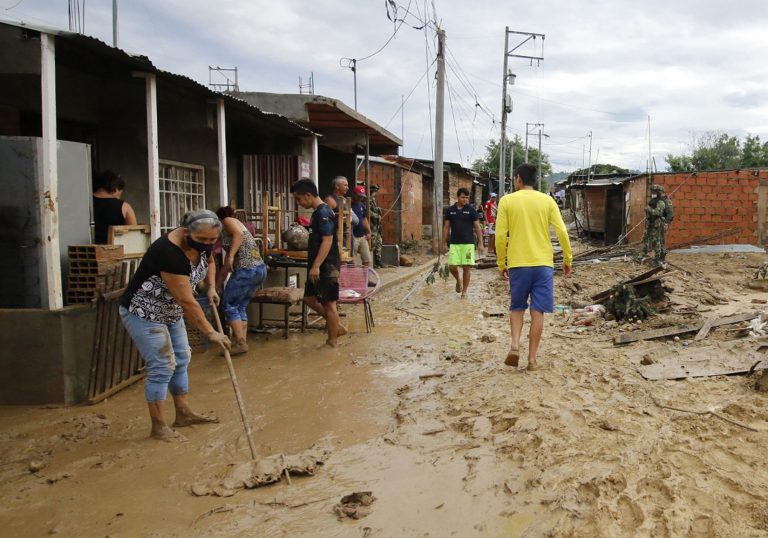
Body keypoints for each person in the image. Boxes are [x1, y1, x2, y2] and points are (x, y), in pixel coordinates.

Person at [119, 209, 231, 441]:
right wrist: (211, 332)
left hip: (170, 310)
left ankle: (183, 413)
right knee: (162, 365)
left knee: (181, 357)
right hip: (144, 312)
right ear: (186, 231)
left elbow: (209, 261)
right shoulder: (168, 253)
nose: (207, 244)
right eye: (202, 240)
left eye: (212, 240)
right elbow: (187, 300)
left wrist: (210, 286)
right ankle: (158, 427)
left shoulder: (203, 244)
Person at [495, 164, 573, 371]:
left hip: (518, 265)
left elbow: (500, 236)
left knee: (517, 307)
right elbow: (562, 232)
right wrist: (568, 259)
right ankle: (532, 360)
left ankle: (514, 345)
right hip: (543, 265)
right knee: (538, 311)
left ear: (518, 179)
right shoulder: (547, 201)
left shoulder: (507, 201)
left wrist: (501, 263)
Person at [291, 178, 347, 347]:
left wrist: (316, 266)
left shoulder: (324, 213)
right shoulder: (318, 212)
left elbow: (328, 240)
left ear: (308, 195)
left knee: (329, 304)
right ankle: (336, 326)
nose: (299, 203)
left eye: (299, 199)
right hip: (319, 265)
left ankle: (332, 341)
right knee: (309, 298)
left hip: (326, 266)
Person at [216, 206, 267, 355]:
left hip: (247, 269)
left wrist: (231, 256)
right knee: (239, 306)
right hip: (258, 269)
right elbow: (226, 265)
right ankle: (242, 341)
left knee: (229, 305)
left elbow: (238, 235)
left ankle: (239, 342)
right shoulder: (236, 227)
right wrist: (218, 285)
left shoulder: (228, 221)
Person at [442, 187, 484, 298]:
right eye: (463, 197)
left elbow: (477, 228)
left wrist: (480, 243)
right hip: (454, 243)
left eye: (467, 197)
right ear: (458, 197)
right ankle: (458, 280)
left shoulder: (471, 210)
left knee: (466, 267)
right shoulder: (450, 210)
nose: (465, 199)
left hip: (468, 244)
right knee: (452, 266)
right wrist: (442, 243)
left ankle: (464, 292)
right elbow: (446, 227)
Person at [92, 170, 137, 244]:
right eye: (120, 191)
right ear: (115, 187)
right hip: (116, 252)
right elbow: (134, 234)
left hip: (87, 251)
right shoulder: (125, 207)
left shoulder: (84, 203)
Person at [641, 184, 671, 263]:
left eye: (654, 191)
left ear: (658, 192)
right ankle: (643, 253)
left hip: (657, 224)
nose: (653, 193)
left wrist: (649, 209)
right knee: (645, 238)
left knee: (656, 242)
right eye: (652, 191)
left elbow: (658, 213)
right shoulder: (652, 200)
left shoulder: (661, 202)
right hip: (650, 223)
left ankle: (658, 259)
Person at [351, 186, 373, 268]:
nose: (360, 198)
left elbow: (364, 219)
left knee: (367, 260)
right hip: (352, 237)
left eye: (362, 197)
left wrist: (368, 232)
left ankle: (366, 279)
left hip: (362, 237)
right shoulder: (347, 204)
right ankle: (352, 280)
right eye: (359, 196)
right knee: (351, 261)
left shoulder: (361, 205)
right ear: (353, 194)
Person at [369, 184, 384, 268]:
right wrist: (376, 215)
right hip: (371, 226)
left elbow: (373, 209)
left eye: (376, 190)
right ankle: (372, 263)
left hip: (377, 226)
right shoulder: (366, 199)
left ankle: (378, 261)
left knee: (379, 242)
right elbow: (367, 211)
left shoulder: (373, 199)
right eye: (374, 190)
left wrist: (378, 209)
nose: (375, 192)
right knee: (373, 244)